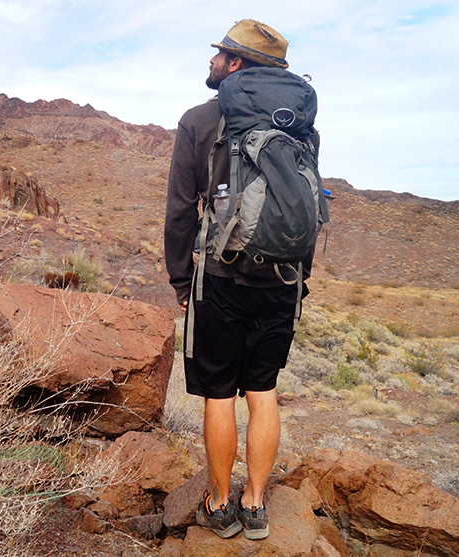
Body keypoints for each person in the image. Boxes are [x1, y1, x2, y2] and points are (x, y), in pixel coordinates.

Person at [163, 19, 316, 541]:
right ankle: (256, 504)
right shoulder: (299, 126)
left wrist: (183, 282)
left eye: (221, 54)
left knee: (219, 395)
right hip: (283, 279)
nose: (213, 60)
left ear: (237, 65)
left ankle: (220, 503)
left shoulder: (200, 120)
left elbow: (181, 211)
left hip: (221, 280)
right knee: (264, 391)